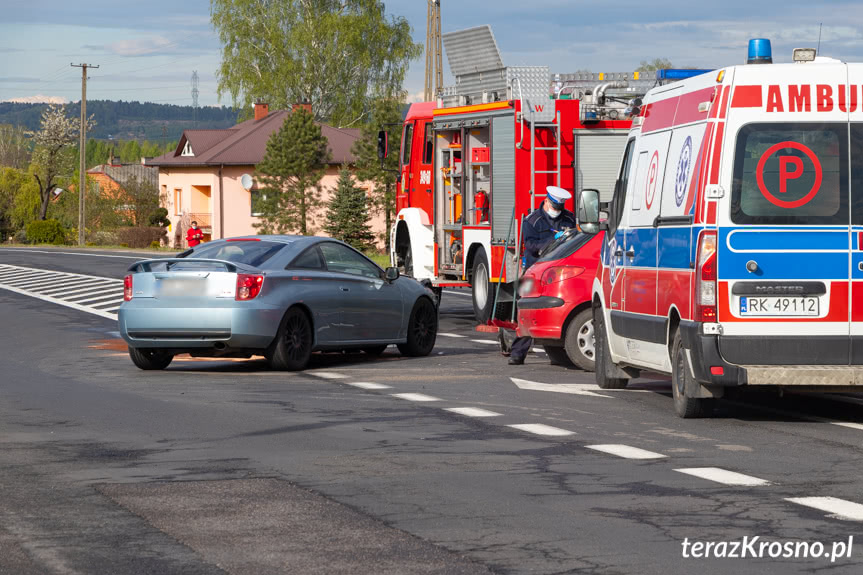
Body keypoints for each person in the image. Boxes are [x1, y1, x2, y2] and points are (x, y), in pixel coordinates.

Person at [507, 186, 577, 365]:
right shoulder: (533, 220)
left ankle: (561, 353)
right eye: (554, 206)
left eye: (559, 207)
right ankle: (517, 353)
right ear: (546, 201)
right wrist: (554, 242)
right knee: (527, 312)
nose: (557, 211)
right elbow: (530, 245)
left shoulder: (569, 218)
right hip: (534, 271)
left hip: (559, 272)